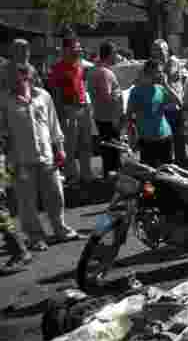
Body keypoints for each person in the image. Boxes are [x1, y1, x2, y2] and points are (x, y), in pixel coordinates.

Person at [1, 62, 81, 251]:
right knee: (27, 202)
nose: (8, 80)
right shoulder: (4, 100)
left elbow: (52, 124)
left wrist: (60, 148)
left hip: (46, 156)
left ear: (25, 77)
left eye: (13, 76)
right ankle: (35, 237)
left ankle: (61, 230)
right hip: (21, 159)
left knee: (56, 196)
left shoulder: (43, 96)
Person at [47, 36, 94, 186]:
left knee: (86, 144)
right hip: (69, 109)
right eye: (76, 47)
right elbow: (55, 92)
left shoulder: (80, 65)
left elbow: (82, 86)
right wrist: (61, 113)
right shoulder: (57, 68)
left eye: (79, 47)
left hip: (83, 108)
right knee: (70, 147)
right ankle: (72, 177)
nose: (79, 50)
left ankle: (87, 175)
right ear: (66, 49)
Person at [128, 59, 180, 167]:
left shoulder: (161, 88)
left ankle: (165, 185)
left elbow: (179, 102)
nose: (162, 74)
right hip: (147, 139)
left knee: (168, 172)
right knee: (149, 175)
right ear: (149, 72)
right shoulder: (136, 91)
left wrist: (166, 85)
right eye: (159, 72)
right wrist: (132, 135)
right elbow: (129, 114)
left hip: (165, 136)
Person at [89, 41, 123, 178]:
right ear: (110, 54)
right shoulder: (104, 72)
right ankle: (111, 182)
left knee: (109, 153)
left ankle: (109, 179)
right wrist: (118, 98)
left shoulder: (96, 70)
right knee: (112, 154)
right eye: (115, 53)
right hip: (109, 119)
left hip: (103, 117)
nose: (117, 56)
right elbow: (106, 97)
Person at [153, 39, 188, 164]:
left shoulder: (171, 62)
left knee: (177, 138)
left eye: (160, 50)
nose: (157, 53)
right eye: (155, 50)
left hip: (174, 107)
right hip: (162, 107)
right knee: (165, 140)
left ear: (167, 51)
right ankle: (168, 164)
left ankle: (181, 165)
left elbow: (171, 74)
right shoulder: (158, 65)